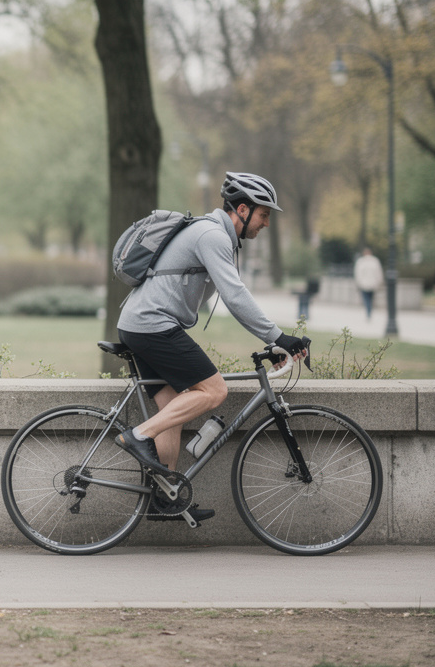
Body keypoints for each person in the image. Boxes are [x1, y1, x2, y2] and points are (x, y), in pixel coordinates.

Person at [115, 171, 307, 523]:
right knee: (215, 390)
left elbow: (234, 295)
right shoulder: (212, 235)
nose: (266, 224)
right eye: (264, 215)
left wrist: (274, 338)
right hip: (152, 325)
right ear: (244, 209)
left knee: (172, 406)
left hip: (140, 324)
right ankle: (137, 436)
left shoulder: (213, 235)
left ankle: (165, 496)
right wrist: (278, 338)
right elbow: (235, 296)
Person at [353, 246, 383, 321]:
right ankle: (369, 312)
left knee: (366, 299)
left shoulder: (361, 261)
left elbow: (358, 274)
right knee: (370, 299)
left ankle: (368, 313)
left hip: (364, 284)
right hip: (373, 284)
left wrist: (358, 283)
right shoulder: (375, 261)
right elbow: (379, 273)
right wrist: (379, 282)